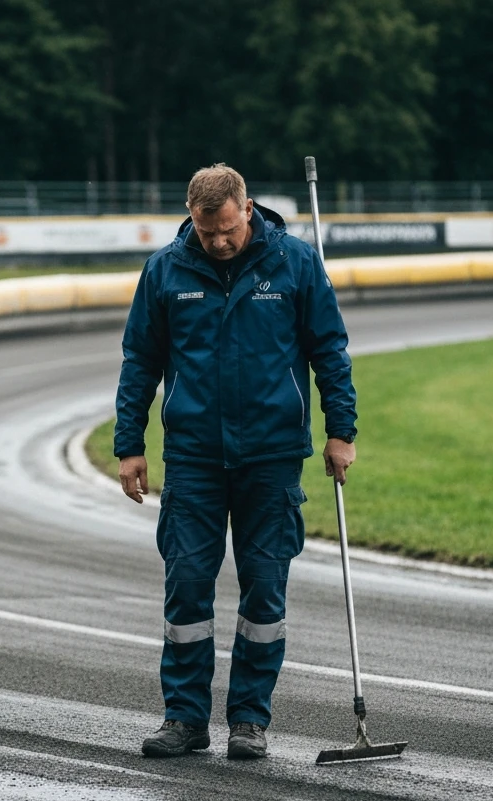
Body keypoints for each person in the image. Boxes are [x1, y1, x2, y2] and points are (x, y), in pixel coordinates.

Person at [115, 163, 357, 760]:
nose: (218, 242)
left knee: (265, 593)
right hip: (194, 458)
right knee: (188, 588)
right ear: (191, 218)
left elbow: (330, 350)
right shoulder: (166, 270)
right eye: (206, 231)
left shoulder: (294, 264)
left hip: (272, 456)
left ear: (247, 209)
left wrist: (341, 432)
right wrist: (129, 445)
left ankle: (249, 721)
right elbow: (139, 362)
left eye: (226, 228)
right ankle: (184, 720)